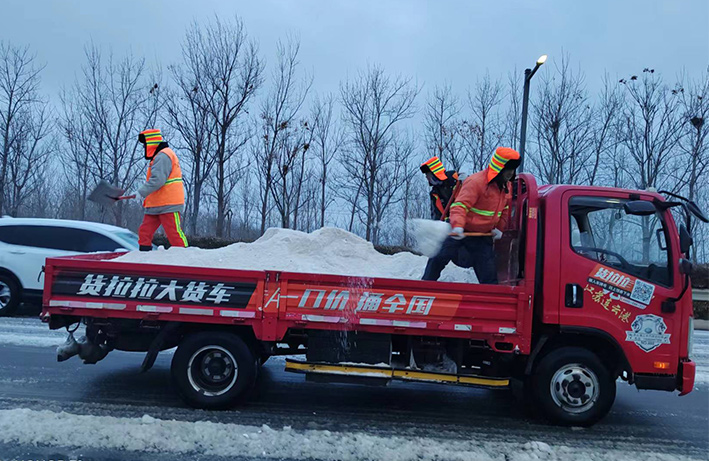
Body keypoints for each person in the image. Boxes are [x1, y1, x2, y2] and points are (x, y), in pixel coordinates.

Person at [422, 147, 520, 284]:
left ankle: (491, 301)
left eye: (513, 170)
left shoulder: (506, 187)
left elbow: (506, 207)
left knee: (489, 274)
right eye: (508, 169)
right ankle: (424, 286)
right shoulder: (476, 182)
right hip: (460, 230)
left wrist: (500, 227)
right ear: (499, 168)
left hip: (481, 237)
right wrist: (457, 225)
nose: (511, 173)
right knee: (439, 256)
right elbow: (460, 205)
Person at [130, 129, 188, 251]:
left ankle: (185, 260)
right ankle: (144, 257)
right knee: (144, 233)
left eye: (145, 144)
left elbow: (157, 180)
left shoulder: (163, 155)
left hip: (169, 203)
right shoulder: (159, 156)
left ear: (151, 143)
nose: (144, 147)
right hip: (156, 203)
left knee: (174, 234)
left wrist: (141, 192)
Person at [419, 156, 459, 221]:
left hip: (466, 220)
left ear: (434, 174)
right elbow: (436, 215)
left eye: (428, 175)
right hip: (449, 226)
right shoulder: (434, 193)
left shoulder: (455, 179)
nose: (427, 177)